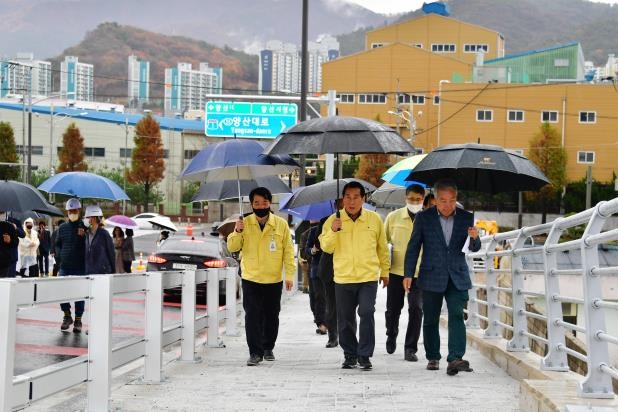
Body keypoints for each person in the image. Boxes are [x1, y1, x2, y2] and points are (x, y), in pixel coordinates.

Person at [403, 179, 481, 376]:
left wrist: (474, 238)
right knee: (430, 318)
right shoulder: (424, 218)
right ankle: (433, 356)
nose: (448, 205)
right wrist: (408, 274)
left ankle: (455, 358)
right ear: (435, 200)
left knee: (456, 314)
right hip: (431, 275)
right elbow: (413, 247)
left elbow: (473, 248)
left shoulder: (466, 218)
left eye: (452, 200)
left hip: (457, 275)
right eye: (443, 201)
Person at [319, 181, 390, 370]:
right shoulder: (332, 220)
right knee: (345, 318)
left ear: (363, 198)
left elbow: (382, 247)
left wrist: (384, 271)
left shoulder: (374, 219)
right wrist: (334, 230)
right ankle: (350, 354)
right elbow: (326, 247)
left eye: (356, 197)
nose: (352, 201)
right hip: (343, 277)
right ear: (343, 199)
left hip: (368, 277)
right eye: (348, 197)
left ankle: (365, 355)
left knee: (367, 312)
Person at [227, 187, 295, 367]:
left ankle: (268, 347)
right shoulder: (244, 223)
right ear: (251, 204)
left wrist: (289, 275)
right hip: (251, 278)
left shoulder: (281, 224)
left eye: (264, 202)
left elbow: (288, 252)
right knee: (252, 316)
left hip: (273, 279)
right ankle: (255, 352)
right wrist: (237, 231)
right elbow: (233, 247)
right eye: (256, 203)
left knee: (272, 315)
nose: (260, 206)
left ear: (270, 203)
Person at [383, 184, 425, 361]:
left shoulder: (428, 219)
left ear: (423, 199)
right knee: (393, 309)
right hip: (396, 271)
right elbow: (383, 244)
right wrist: (383, 270)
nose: (414, 202)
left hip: (419, 273)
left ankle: (410, 348)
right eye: (411, 199)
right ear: (405, 198)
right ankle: (391, 333)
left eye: (418, 199)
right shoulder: (393, 217)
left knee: (416, 308)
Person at [56, 198, 87, 333]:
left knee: (80, 294)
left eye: (75, 210)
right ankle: (67, 316)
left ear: (79, 211)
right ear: (67, 212)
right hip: (65, 266)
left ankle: (78, 320)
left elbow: (89, 247)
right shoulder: (62, 228)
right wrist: (58, 257)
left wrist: (83, 237)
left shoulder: (84, 227)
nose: (73, 213)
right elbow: (57, 243)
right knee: (61, 292)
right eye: (70, 211)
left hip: (80, 267)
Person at [304, 220, 327, 335]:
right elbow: (306, 250)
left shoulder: (339, 228)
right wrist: (313, 250)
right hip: (317, 269)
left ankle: (331, 323)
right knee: (319, 297)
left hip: (335, 269)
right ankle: (321, 324)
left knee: (332, 298)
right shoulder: (314, 231)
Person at [84, 205, 115, 277]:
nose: (85, 219)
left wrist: (113, 271)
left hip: (102, 273)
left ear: (94, 218)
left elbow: (111, 253)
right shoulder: (86, 234)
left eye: (87, 217)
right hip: (89, 273)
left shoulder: (104, 234)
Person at [0, 211, 20, 278]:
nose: (1, 215)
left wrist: (10, 241)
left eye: (2, 213)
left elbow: (16, 242)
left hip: (4, 262)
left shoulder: (9, 226)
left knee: (3, 285)